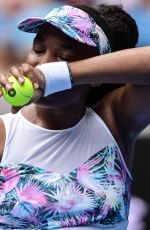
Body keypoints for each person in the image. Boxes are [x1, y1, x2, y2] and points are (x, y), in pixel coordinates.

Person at [0, 4, 144, 230]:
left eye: (64, 56)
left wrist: (61, 75)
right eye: (38, 50)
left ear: (98, 71)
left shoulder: (115, 121)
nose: (42, 65)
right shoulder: (3, 132)